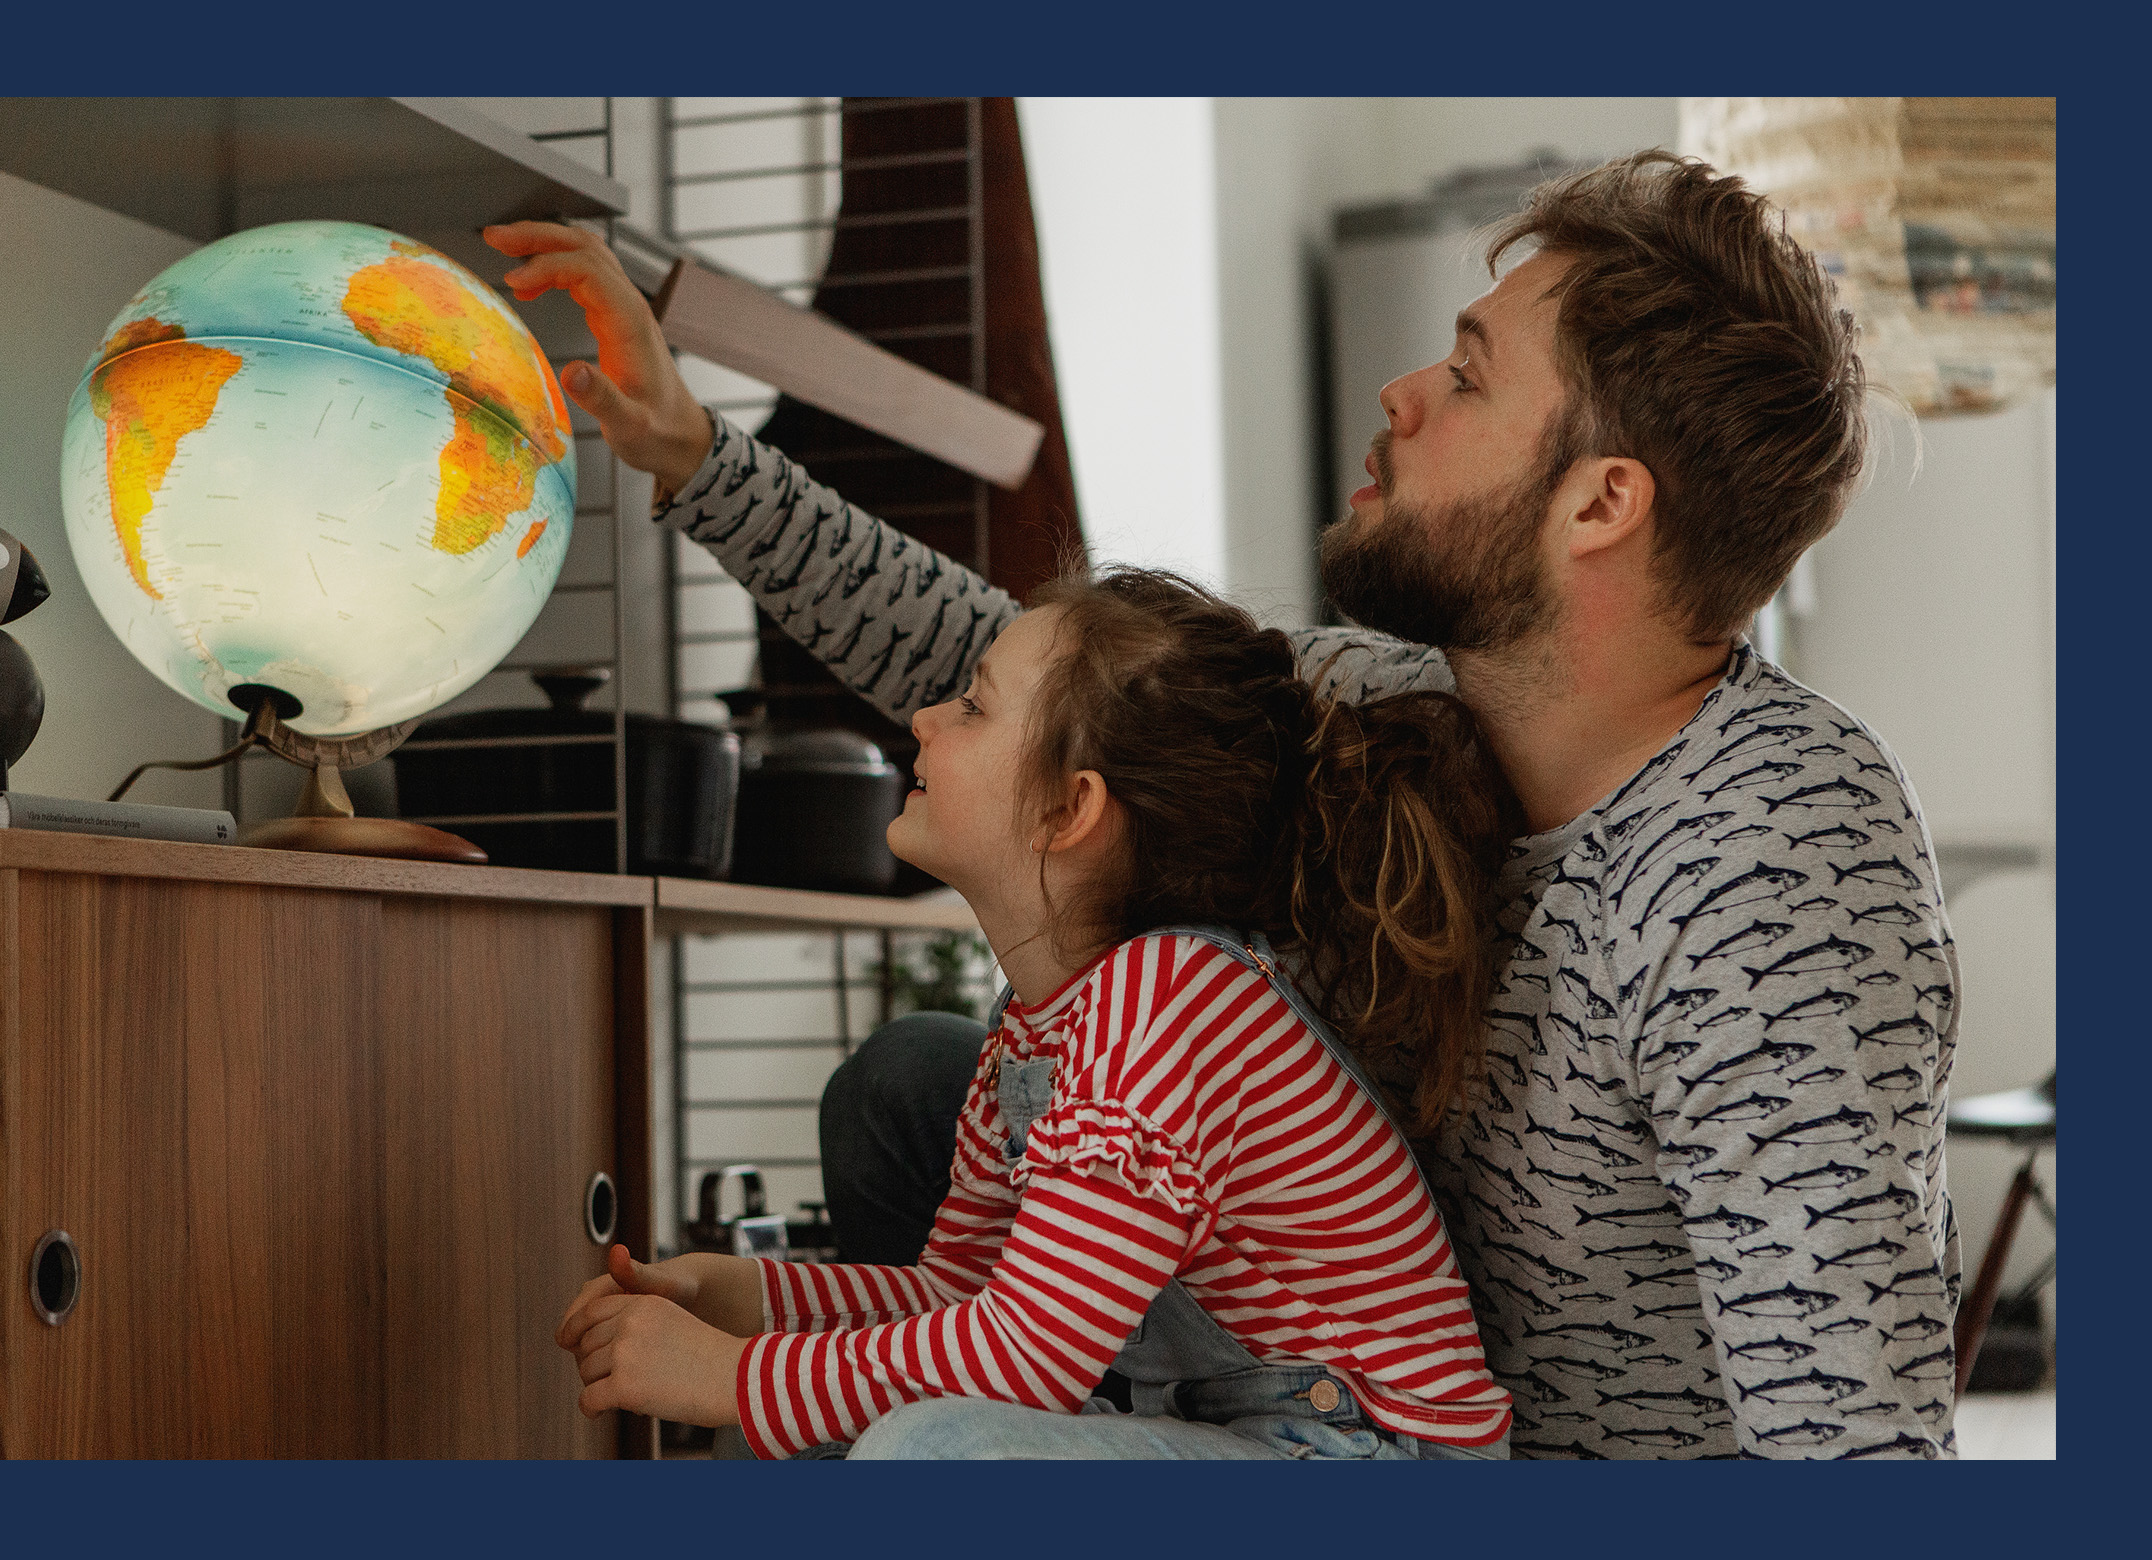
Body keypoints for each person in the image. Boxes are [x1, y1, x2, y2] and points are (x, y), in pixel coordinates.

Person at [488, 147, 1964, 1460]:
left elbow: (1857, 1433)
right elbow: (994, 666)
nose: (1403, 394)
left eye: (1466, 376)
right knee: (912, 1094)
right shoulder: (1396, 694)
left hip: (1457, 1456)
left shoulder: (1780, 870)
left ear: (1602, 505)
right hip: (1269, 1361)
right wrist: (692, 455)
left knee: (948, 1446)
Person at [550, 565, 1521, 1459]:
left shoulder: (1166, 1007)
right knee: (845, 1426)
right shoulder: (1041, 1019)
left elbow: (1024, 1359)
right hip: (1246, 1433)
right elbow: (959, 1298)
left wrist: (729, 1376)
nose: (926, 718)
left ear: (1068, 810)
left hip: (1376, 1462)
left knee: (921, 1454)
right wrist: (754, 1299)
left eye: (972, 705)